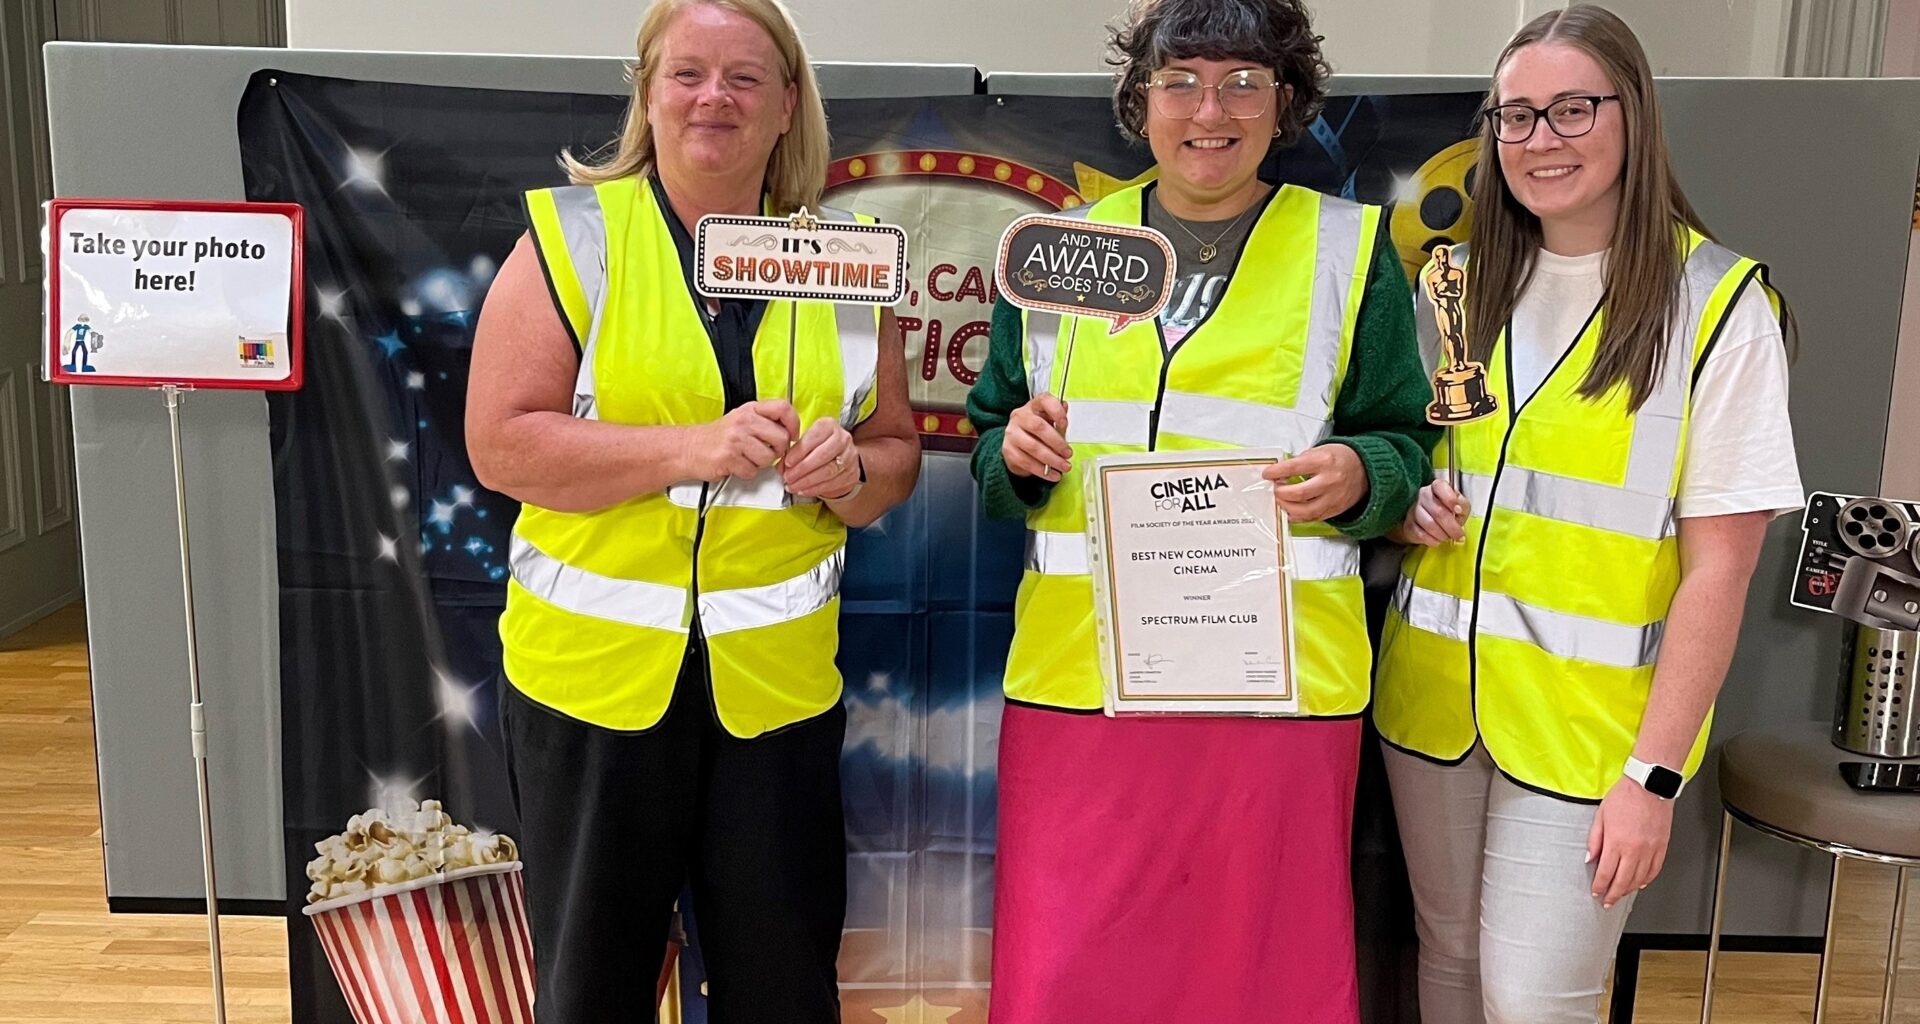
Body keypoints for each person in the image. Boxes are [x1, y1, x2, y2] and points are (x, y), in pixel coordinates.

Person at [965, 1, 1438, 1020]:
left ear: (1287, 105)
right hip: (1079, 691)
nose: (1208, 110)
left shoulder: (1352, 255)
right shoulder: (1056, 251)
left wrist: (1363, 475)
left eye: (1241, 83)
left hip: (1273, 698)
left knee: (1259, 975)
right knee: (1072, 974)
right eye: (1180, 81)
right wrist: (1015, 455)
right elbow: (993, 451)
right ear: (1139, 103)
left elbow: (1404, 441)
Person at [464, 0, 919, 1019]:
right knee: (592, 991)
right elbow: (500, 445)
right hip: (591, 694)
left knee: (782, 988)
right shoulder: (573, 240)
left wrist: (851, 473)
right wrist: (691, 449)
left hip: (774, 698)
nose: (715, 97)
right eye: (689, 73)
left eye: (746, 77)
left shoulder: (846, 262)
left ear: (788, 104)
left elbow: (897, 457)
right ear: (649, 93)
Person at [1372, 7, 1804, 1023]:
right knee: (1447, 968)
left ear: (1633, 115)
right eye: (1514, 116)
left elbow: (1720, 571)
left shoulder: (1718, 307)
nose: (1540, 139)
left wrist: (1651, 778)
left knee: (1534, 999)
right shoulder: (1457, 283)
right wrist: (1409, 509)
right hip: (1433, 706)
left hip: (1592, 736)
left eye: (1571, 109)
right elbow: (1409, 468)